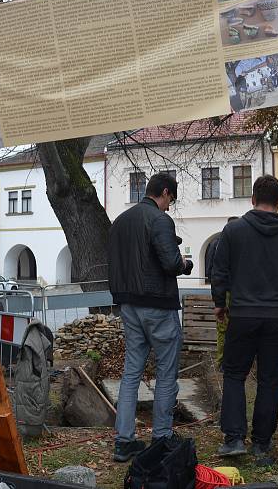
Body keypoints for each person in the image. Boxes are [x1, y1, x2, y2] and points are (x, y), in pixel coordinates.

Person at [212, 176, 278, 463]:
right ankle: (261, 442)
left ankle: (234, 439)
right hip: (276, 318)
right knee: (270, 380)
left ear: (253, 198)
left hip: (242, 315)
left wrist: (220, 304)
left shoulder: (233, 231)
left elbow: (219, 272)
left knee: (234, 375)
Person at [108, 172, 194, 462]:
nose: (170, 206)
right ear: (165, 192)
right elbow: (170, 262)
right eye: (171, 200)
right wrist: (184, 263)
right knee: (167, 372)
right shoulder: (160, 220)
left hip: (128, 304)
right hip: (158, 304)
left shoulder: (120, 221)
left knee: (131, 372)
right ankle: (161, 437)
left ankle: (123, 441)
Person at [207, 217, 239, 369]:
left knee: (222, 329)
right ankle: (234, 361)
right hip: (239, 292)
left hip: (223, 291)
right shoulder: (241, 243)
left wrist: (217, 298)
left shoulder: (216, 243)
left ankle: (222, 362)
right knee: (238, 327)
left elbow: (211, 273)